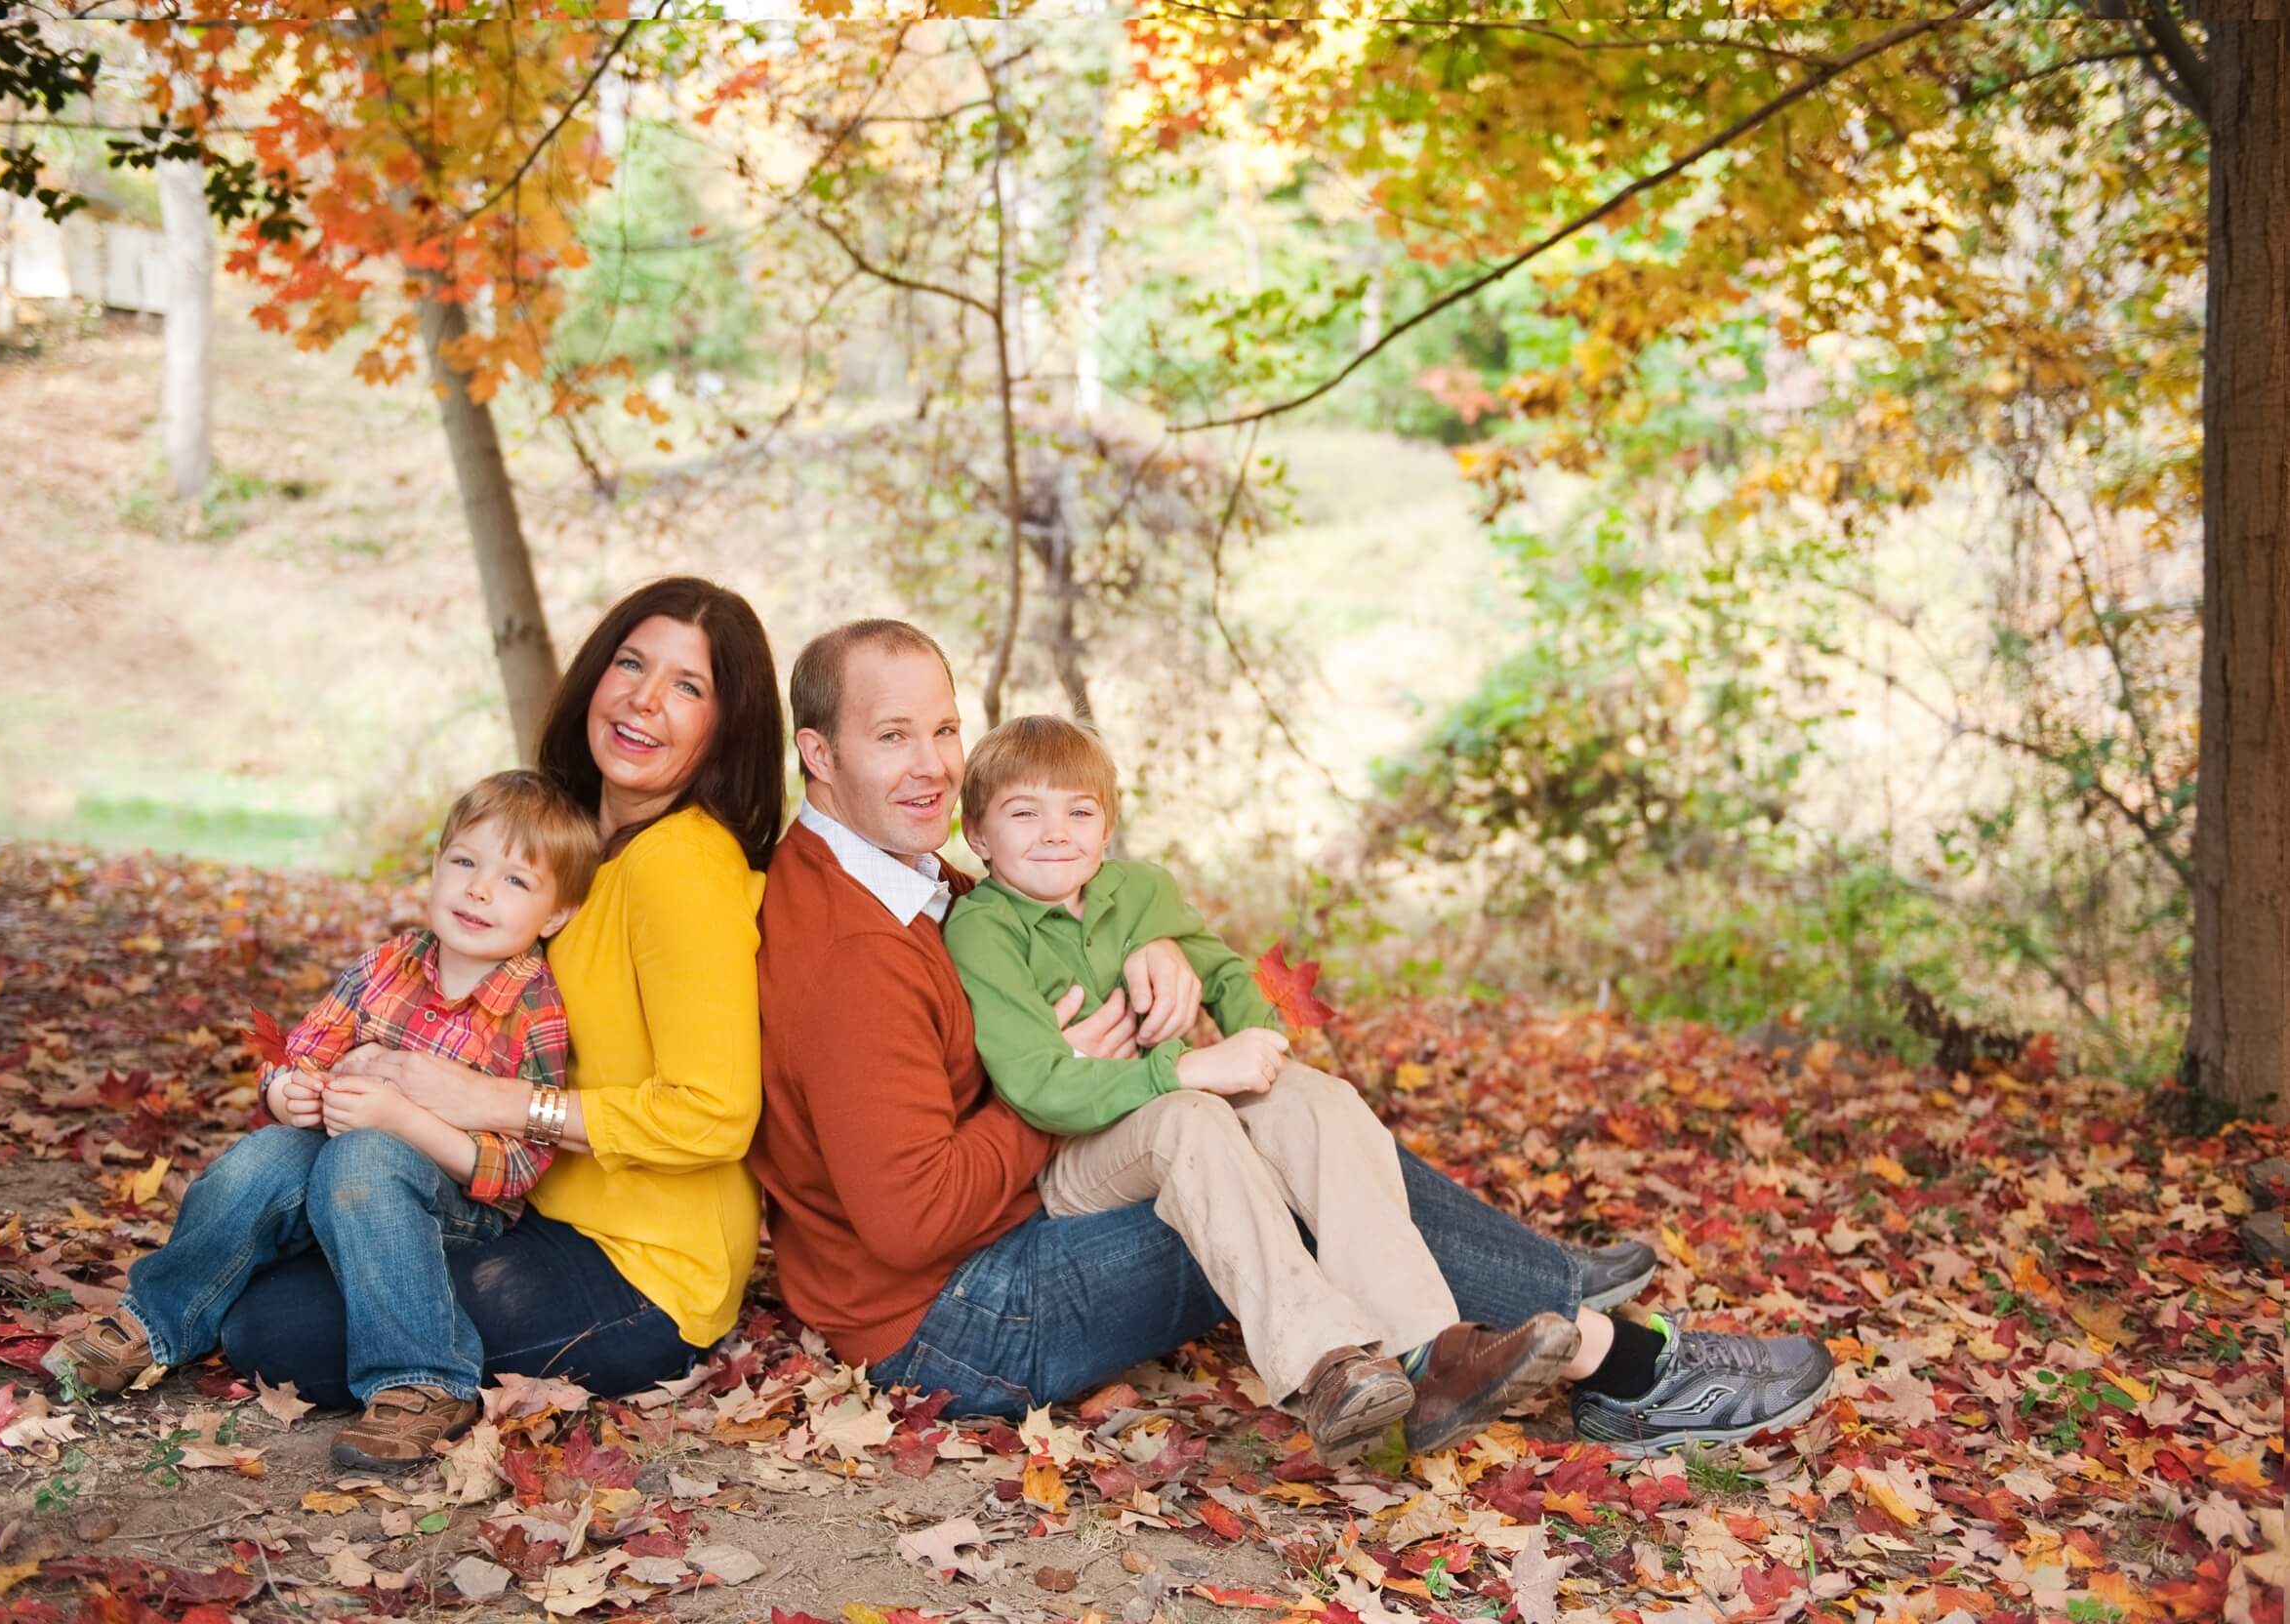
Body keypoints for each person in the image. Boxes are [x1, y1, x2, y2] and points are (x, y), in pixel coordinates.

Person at [749, 620, 1836, 1456]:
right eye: (892, 735)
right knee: (1253, 1167)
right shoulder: (853, 948)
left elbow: (1037, 969)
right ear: (819, 754)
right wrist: (1082, 1077)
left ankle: (1497, 1322)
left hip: (999, 1241)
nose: (933, 762)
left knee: (1297, 1116)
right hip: (949, 1321)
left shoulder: (899, 865)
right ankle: (1614, 1353)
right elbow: (911, 1217)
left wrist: (1149, 964)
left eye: (944, 728)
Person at [203, 578, 787, 1462]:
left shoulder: (681, 868)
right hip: (518, 1205)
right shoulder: (576, 846)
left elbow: (715, 1113)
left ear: (726, 725)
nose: (644, 700)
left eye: (688, 686)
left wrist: (489, 1100)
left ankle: (411, 1376)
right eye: (630, 664)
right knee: (298, 1214)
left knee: (271, 1330)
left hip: (641, 1267)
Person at [943, 715, 1576, 1461]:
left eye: (1079, 811)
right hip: (1077, 1156)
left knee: (1318, 1100)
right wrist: (1186, 1069)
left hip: (1188, 1110)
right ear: (978, 835)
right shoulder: (984, 930)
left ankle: (1425, 1352)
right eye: (1025, 813)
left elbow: (1225, 971)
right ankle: (1326, 1366)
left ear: (1108, 828)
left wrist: (1261, 1039)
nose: (1055, 833)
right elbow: (1038, 1086)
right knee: (1191, 1116)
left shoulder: (1140, 891)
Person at [44, 770, 601, 1470]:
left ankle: (423, 1378)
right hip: (330, 1171)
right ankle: (152, 1322)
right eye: (464, 862)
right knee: (264, 1155)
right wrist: (289, 1094)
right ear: (435, 866)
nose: (479, 889)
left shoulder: (533, 1009)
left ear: (554, 915)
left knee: (366, 1156)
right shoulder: (388, 963)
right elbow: (299, 1055)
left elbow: (519, 1167)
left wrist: (403, 1119)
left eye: (516, 881)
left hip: (450, 1207)